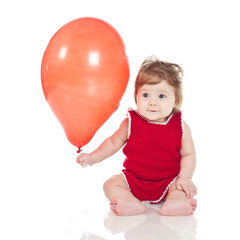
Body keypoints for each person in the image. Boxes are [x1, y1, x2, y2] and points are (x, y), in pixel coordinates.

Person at [76, 56, 197, 216]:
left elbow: (188, 154)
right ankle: (129, 203)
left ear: (175, 101)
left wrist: (185, 178)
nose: (152, 102)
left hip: (168, 182)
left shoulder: (180, 126)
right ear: (136, 97)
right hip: (133, 180)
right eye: (146, 95)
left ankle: (175, 203)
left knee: (181, 189)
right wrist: (92, 157)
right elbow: (112, 143)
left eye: (161, 96)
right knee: (110, 184)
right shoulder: (130, 123)